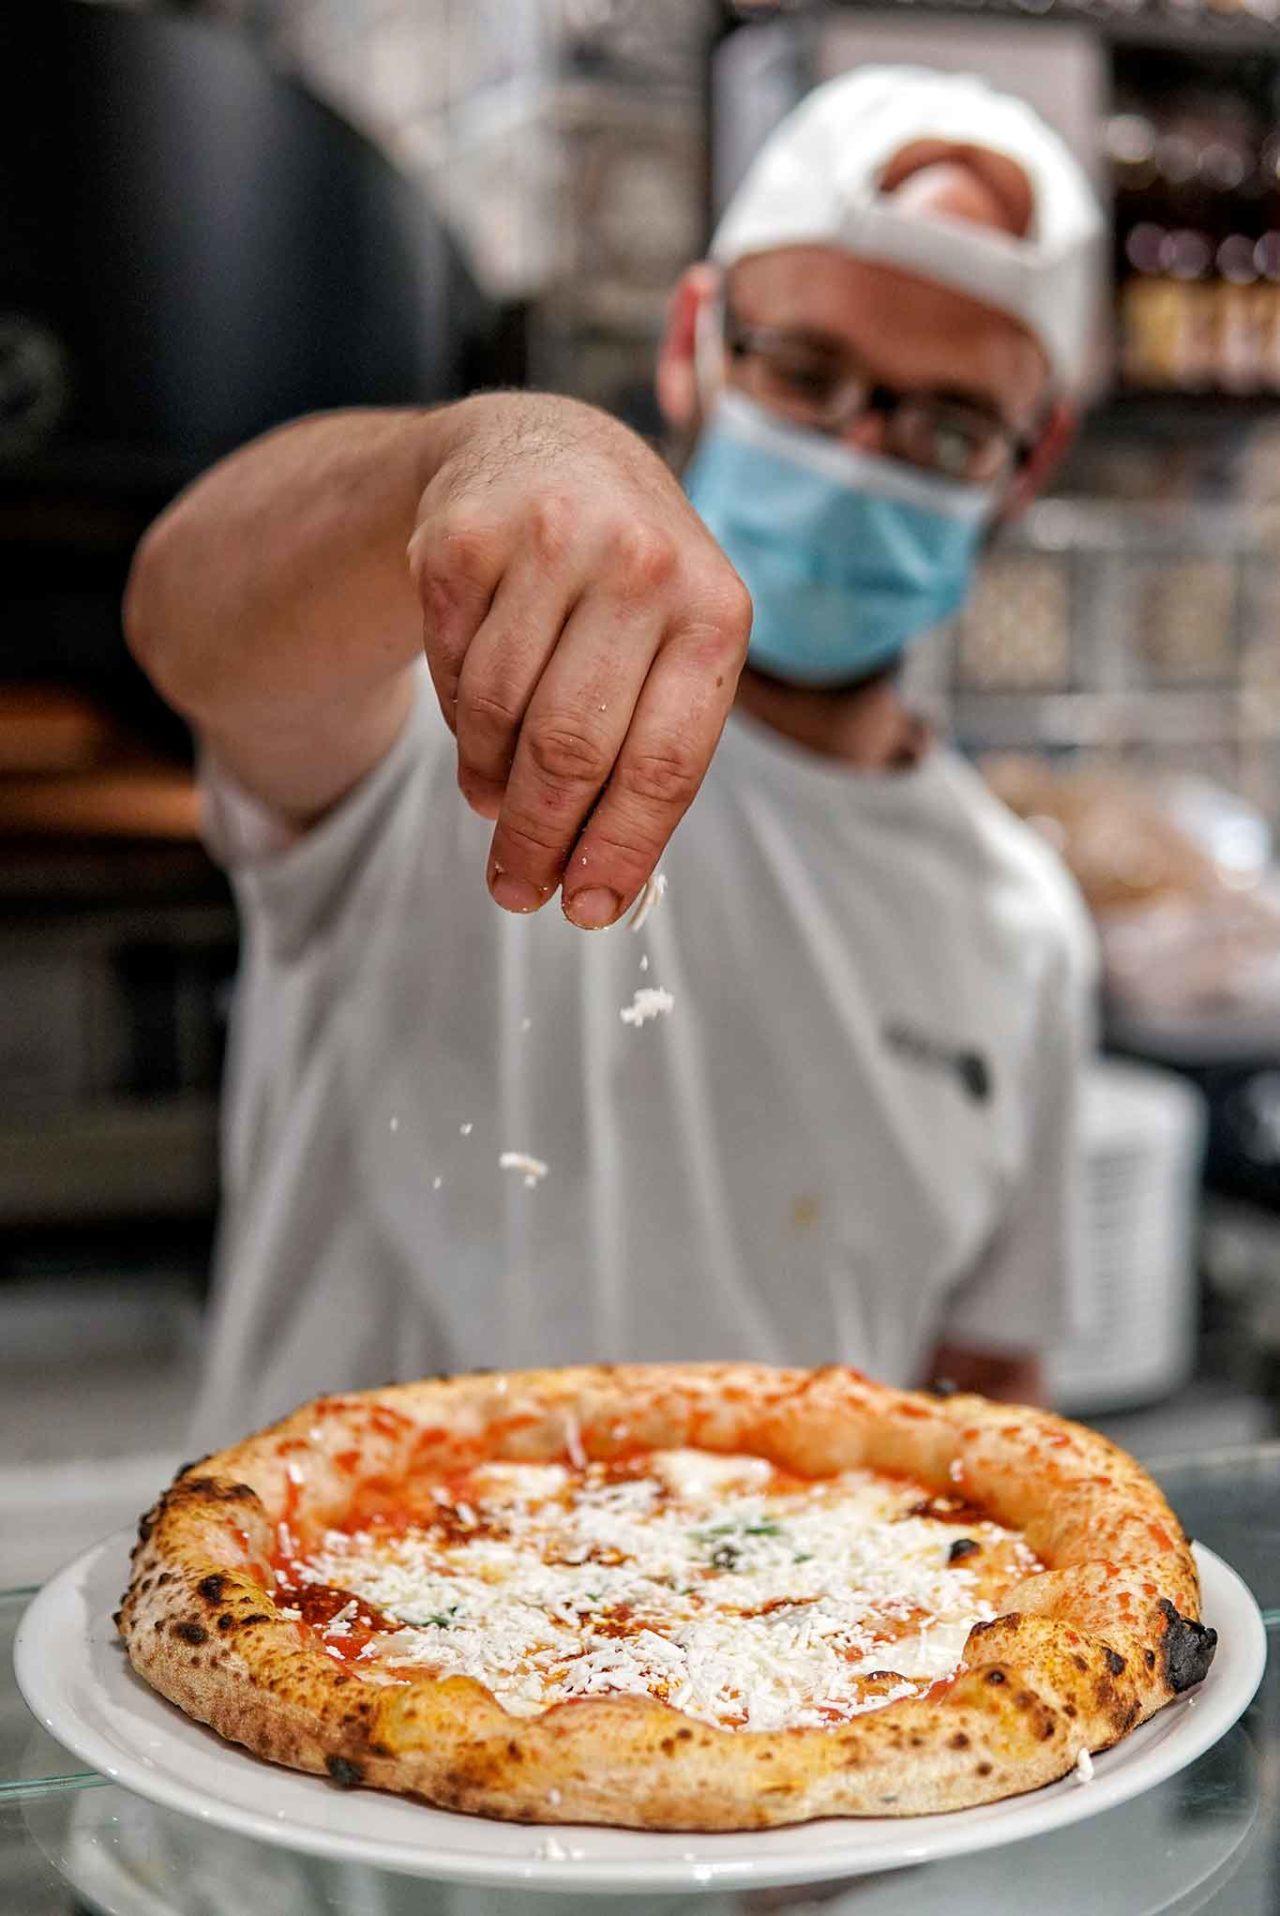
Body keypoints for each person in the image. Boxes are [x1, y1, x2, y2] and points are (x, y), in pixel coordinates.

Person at [125, 66, 1102, 1452]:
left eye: (945, 425)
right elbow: (184, 620)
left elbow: (994, 1396)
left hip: (787, 1649)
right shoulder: (435, 711)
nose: (858, 455)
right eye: (807, 372)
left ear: (1030, 457)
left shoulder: (1022, 927)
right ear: (695, 336)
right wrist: (462, 456)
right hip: (339, 1589)